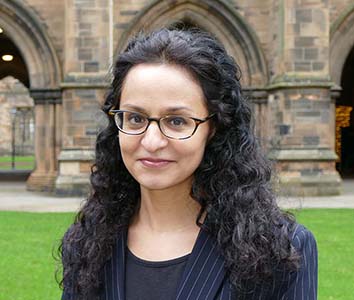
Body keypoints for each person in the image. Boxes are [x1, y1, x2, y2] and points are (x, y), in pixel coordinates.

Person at [59, 28, 318, 300]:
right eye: (135, 118)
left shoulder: (282, 249)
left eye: (177, 121)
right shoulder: (88, 242)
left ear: (214, 127)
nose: (152, 141)